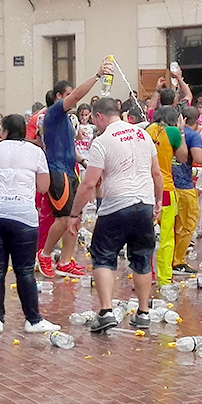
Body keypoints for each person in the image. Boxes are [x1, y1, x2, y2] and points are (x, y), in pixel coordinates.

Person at [67, 98, 161, 332]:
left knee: (103, 256)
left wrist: (75, 214)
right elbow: (156, 173)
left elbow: (89, 183)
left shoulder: (102, 141)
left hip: (116, 204)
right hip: (144, 203)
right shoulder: (143, 135)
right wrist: (158, 201)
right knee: (142, 257)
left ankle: (106, 310)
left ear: (99, 116)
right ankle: (143, 312)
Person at [0, 113, 62, 337]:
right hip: (22, 215)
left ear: (3, 131)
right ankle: (33, 319)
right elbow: (43, 187)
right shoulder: (36, 152)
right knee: (24, 270)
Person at [36, 60, 112, 277]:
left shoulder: (68, 120)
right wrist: (97, 76)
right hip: (57, 171)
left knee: (74, 217)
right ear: (59, 96)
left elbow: (70, 147)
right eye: (68, 95)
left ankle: (65, 262)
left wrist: (85, 163)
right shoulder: (53, 113)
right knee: (62, 218)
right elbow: (78, 95)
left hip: (71, 170)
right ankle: (45, 254)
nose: (73, 98)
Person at [145, 106, 187, 286]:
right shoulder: (173, 132)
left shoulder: (147, 129)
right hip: (166, 189)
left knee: (146, 234)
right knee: (167, 236)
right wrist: (181, 132)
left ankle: (147, 274)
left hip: (146, 188)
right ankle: (165, 277)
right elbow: (183, 157)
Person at [172, 105, 202, 274]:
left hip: (169, 184)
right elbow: (199, 158)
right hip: (184, 184)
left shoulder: (169, 132)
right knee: (189, 223)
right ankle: (178, 260)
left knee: (174, 224)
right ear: (196, 121)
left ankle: (171, 257)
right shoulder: (192, 135)